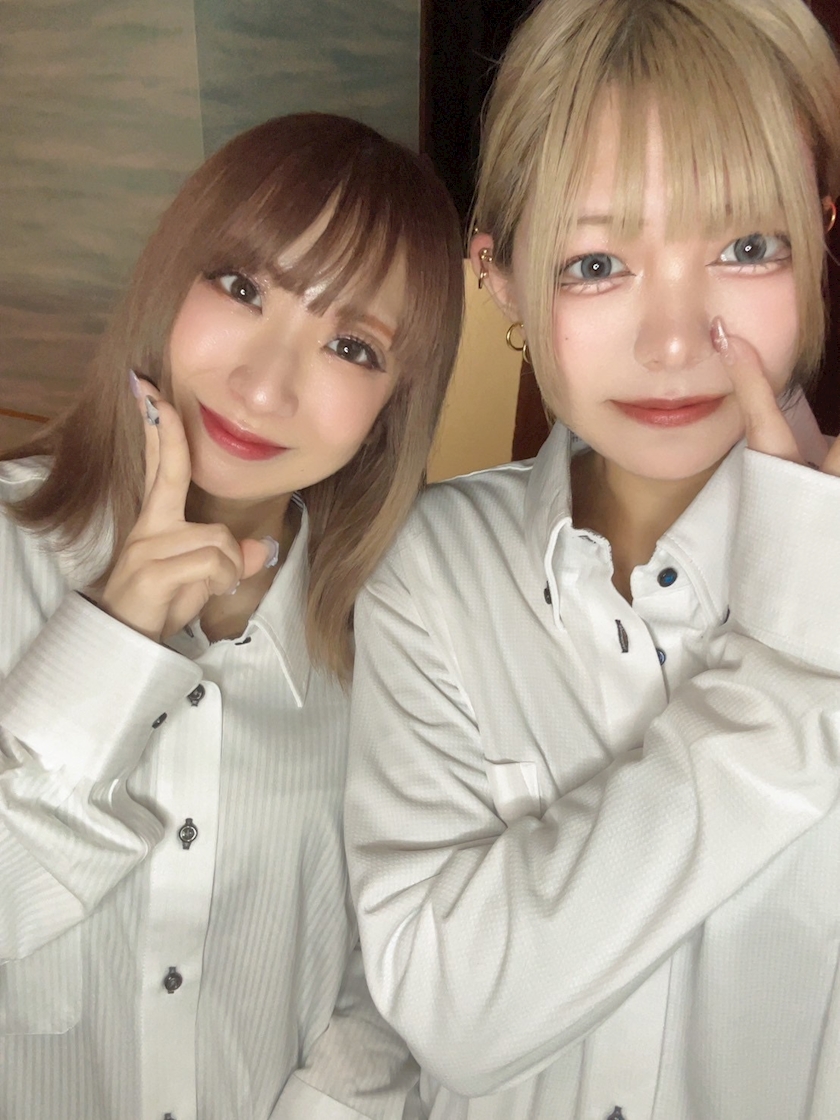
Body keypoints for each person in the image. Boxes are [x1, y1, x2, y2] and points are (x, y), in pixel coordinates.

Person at [344, 2, 840, 1117]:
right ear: (500, 274)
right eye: (599, 261)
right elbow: (450, 1012)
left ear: (819, 237)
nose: (672, 341)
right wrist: (790, 678)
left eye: (746, 247)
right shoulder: (431, 572)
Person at [0, 112, 463, 1120]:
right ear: (171, 280)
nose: (264, 383)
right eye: (243, 287)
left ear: (394, 403)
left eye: (351, 345)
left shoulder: (401, 633)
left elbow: (389, 970)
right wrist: (113, 639)